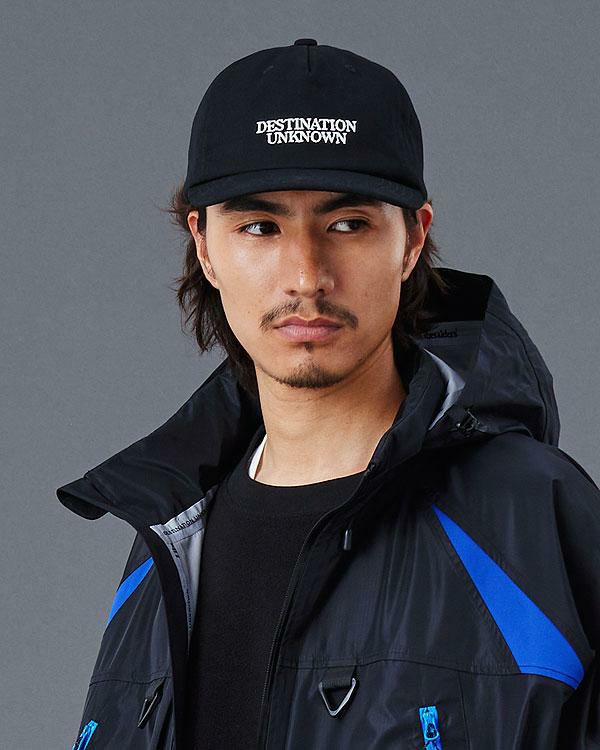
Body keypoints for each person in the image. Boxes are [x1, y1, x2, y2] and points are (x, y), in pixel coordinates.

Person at [58, 39, 600, 750]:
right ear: (206, 247)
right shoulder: (166, 546)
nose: (306, 275)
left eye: (348, 225)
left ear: (412, 240)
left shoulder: (529, 518)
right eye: (260, 227)